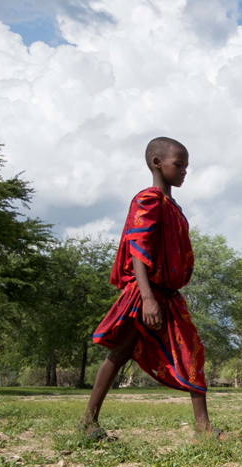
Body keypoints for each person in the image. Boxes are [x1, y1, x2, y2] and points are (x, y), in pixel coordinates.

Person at [82, 137, 223, 440]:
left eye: (186, 165)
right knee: (119, 353)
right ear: (157, 163)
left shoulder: (172, 206)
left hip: (167, 296)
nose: (185, 171)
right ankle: (88, 422)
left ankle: (204, 428)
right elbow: (137, 248)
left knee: (193, 351)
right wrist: (147, 298)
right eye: (179, 164)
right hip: (146, 292)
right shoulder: (147, 200)